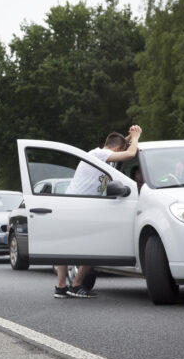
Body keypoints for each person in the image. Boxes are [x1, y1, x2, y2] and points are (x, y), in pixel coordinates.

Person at [55, 125, 142, 299]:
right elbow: (130, 154)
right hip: (78, 206)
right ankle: (75, 285)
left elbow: (121, 146)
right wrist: (137, 137)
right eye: (119, 152)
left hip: (78, 205)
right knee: (94, 245)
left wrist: (129, 138)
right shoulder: (97, 154)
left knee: (65, 246)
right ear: (116, 149)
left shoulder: (100, 157)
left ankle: (62, 287)